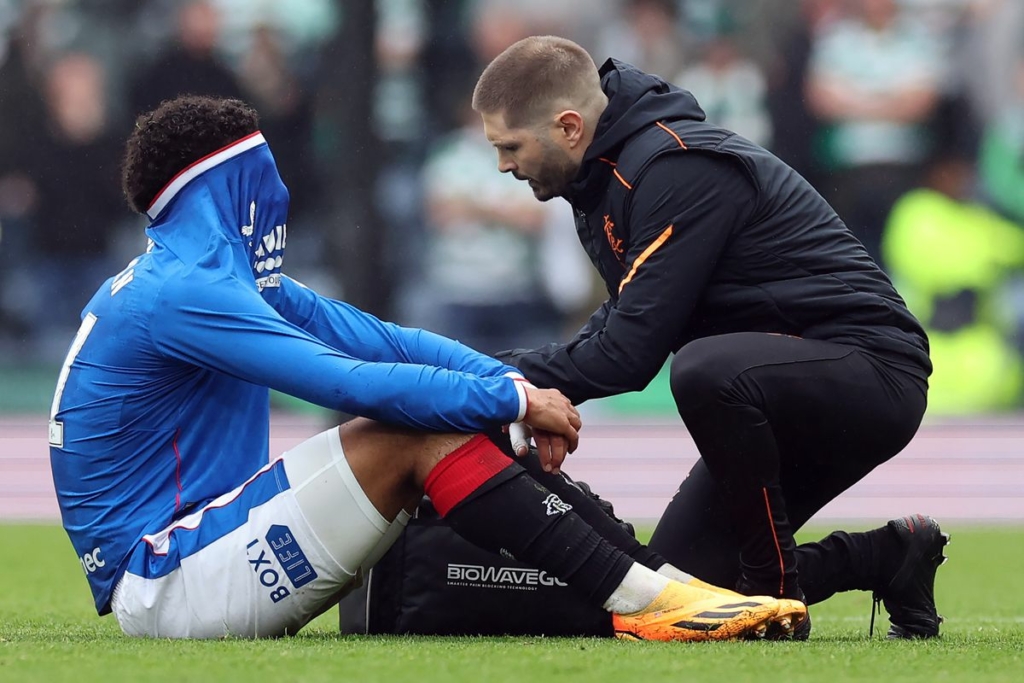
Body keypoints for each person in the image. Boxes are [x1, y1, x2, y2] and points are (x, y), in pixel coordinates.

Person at [47, 94, 805, 641]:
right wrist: (503, 397)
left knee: (440, 417)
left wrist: (516, 390)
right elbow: (347, 382)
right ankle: (648, 598)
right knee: (410, 431)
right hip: (165, 578)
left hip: (196, 550)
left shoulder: (206, 279)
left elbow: (385, 341)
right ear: (227, 188)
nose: (276, 197)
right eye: (261, 177)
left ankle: (658, 584)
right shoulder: (183, 293)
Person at [472, 35, 947, 639]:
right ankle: (888, 556)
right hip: (774, 387)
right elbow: (624, 319)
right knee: (675, 584)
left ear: (569, 126)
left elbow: (627, 354)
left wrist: (493, 385)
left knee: (703, 370)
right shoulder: (604, 177)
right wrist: (506, 377)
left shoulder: (673, 167)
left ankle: (779, 601)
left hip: (869, 372)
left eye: (509, 146)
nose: (503, 165)